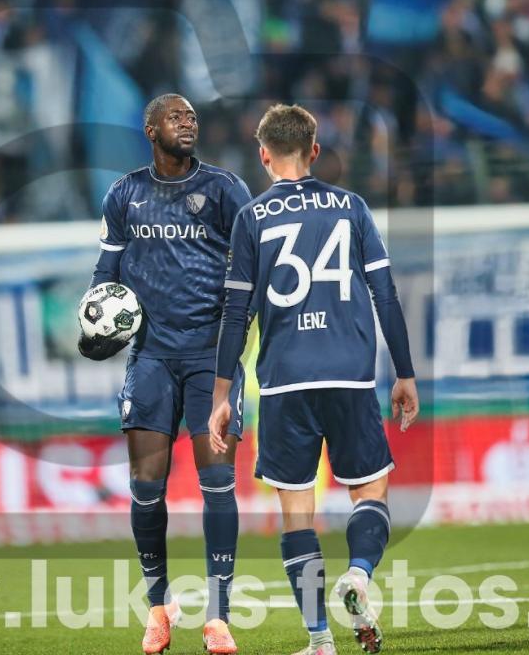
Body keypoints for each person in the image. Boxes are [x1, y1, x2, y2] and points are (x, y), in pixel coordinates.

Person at [209, 104, 419, 655]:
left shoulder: (251, 218)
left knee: (296, 511)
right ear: (316, 151)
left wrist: (222, 393)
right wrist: (405, 372)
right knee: (369, 489)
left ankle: (321, 640)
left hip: (282, 384)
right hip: (349, 376)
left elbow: (236, 314)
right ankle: (359, 574)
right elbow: (385, 295)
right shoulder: (351, 207)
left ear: (264, 156)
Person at [80, 93, 251, 654]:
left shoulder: (226, 190)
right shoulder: (124, 195)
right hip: (150, 357)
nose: (187, 122)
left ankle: (218, 617)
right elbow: (106, 272)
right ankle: (158, 608)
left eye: (192, 116)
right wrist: (96, 323)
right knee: (146, 489)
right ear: (150, 129)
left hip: (211, 359)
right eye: (175, 117)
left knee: (217, 484)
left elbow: (250, 273)